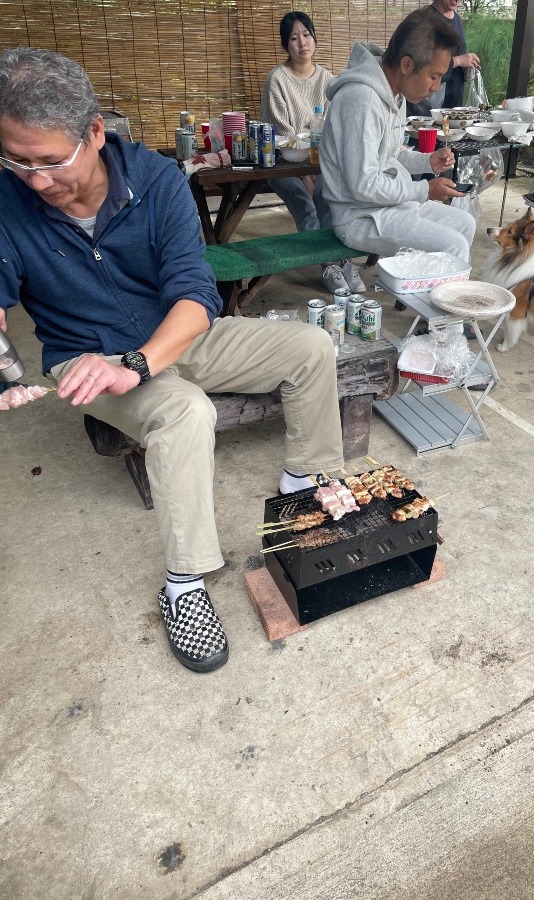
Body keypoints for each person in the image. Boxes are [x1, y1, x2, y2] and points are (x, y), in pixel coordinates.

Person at [0, 48, 344, 674]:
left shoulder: (155, 180)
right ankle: (183, 586)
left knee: (311, 347)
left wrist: (140, 359)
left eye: (49, 162)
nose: (35, 181)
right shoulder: (6, 201)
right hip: (86, 358)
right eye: (16, 162)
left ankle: (303, 484)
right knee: (184, 411)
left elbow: (194, 292)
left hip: (171, 335)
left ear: (95, 133)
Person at [319, 9, 476, 265]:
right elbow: (363, 185)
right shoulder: (361, 100)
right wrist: (424, 189)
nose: (436, 87)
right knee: (453, 245)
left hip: (389, 207)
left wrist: (427, 162)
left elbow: (391, 153)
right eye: (433, 76)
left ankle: (426, 294)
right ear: (406, 65)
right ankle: (436, 300)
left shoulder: (395, 94)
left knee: (464, 224)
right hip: (360, 217)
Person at [260, 11, 366, 295]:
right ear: (286, 45)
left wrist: (317, 172)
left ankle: (343, 260)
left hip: (321, 164)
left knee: (330, 201)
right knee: (307, 208)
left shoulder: (328, 81)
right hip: (283, 166)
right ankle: (327, 265)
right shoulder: (277, 80)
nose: (302, 43)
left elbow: (335, 131)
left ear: (314, 39)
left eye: (306, 35)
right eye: (294, 38)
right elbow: (284, 136)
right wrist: (305, 174)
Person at [407, 0, 481, 118]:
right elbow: (420, 64)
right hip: (427, 108)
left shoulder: (457, 19)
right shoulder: (425, 20)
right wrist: (458, 61)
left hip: (453, 103)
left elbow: (458, 55)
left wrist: (467, 67)